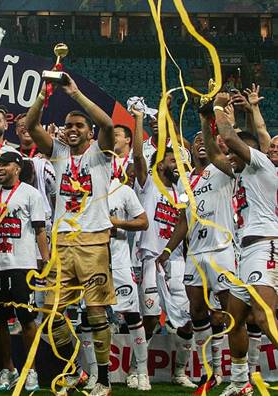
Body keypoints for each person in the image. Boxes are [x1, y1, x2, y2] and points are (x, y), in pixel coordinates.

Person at [25, 72, 115, 396]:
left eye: (79, 126)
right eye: (69, 125)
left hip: (93, 240)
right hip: (62, 241)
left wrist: (75, 94)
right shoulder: (59, 153)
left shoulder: (101, 153)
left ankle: (103, 379)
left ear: (88, 133)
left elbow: (107, 125)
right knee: (51, 313)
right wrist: (42, 95)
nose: (73, 130)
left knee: (95, 311)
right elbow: (31, 126)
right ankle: (77, 370)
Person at [203, 93, 278, 396]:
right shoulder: (246, 171)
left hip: (265, 247)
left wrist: (221, 108)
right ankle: (239, 383)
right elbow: (214, 154)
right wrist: (205, 117)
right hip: (244, 253)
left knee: (262, 315)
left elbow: (230, 138)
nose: (271, 145)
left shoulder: (261, 164)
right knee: (233, 320)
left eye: (276, 144)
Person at [156, 125, 236, 390]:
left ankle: (237, 374)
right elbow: (183, 220)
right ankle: (207, 372)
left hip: (221, 250)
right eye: (197, 141)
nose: (201, 143)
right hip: (195, 253)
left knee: (227, 311)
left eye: (206, 140)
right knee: (197, 310)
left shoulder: (223, 168)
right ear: (189, 150)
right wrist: (167, 250)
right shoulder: (184, 180)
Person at [130, 107, 196, 390]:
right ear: (159, 164)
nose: (175, 162)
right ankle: (138, 370)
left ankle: (179, 371)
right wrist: (139, 120)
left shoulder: (182, 192)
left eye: (176, 158)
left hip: (177, 259)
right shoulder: (148, 184)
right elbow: (136, 157)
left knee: (188, 321)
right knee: (149, 318)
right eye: (170, 158)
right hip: (151, 260)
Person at [0, 152, 48, 392]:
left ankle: (31, 370)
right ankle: (8, 369)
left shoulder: (31, 193)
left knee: (27, 320)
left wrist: (45, 261)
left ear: (17, 167)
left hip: (23, 266)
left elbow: (40, 230)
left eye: (5, 164)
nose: (0, 168)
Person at [105, 169, 150, 390]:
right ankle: (96, 375)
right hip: (92, 262)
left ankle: (142, 372)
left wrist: (118, 222)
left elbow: (143, 222)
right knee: (88, 317)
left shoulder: (123, 191)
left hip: (120, 262)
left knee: (132, 314)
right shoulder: (83, 191)